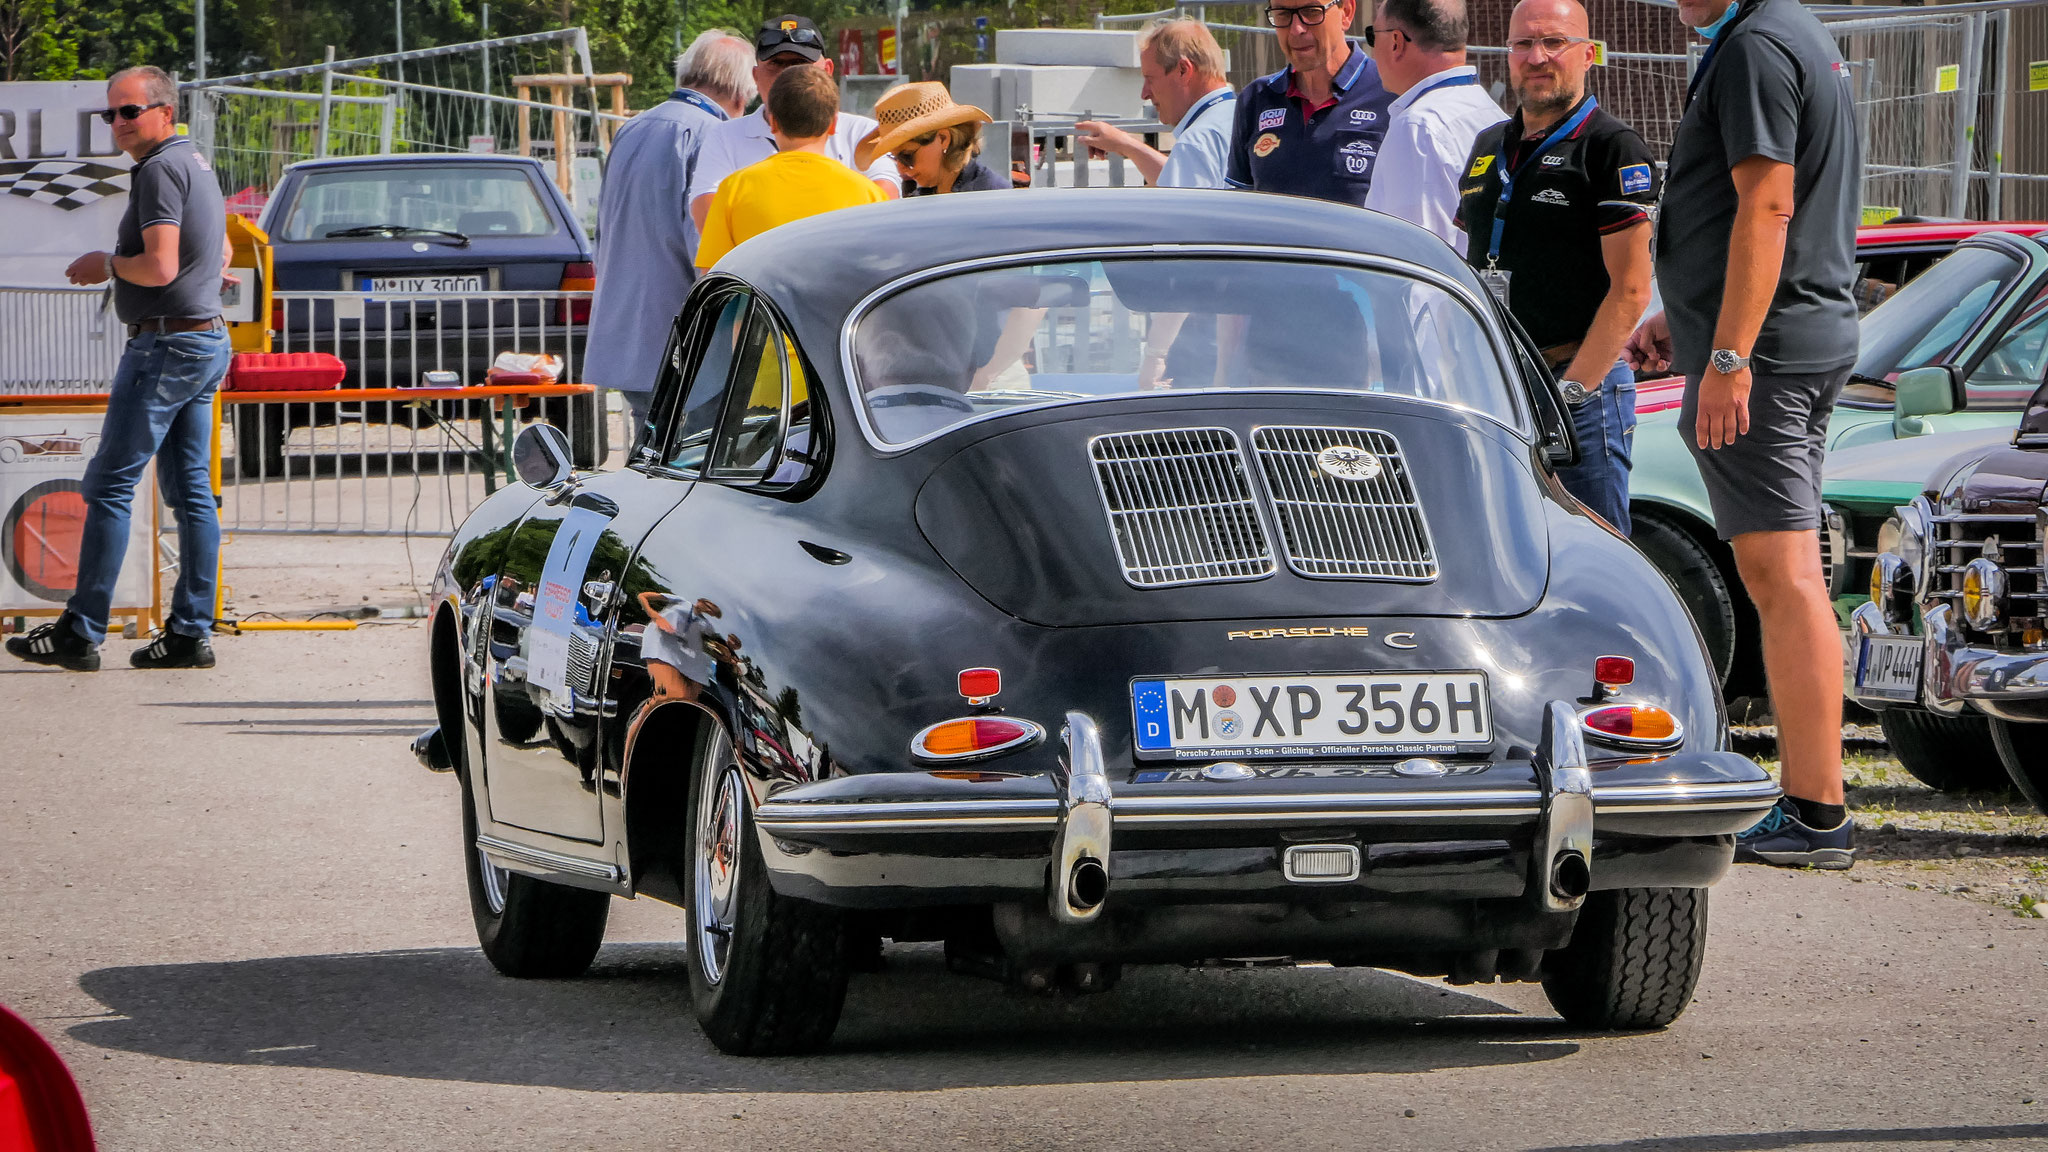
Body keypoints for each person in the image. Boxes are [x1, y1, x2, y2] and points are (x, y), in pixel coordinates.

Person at [1627, 0, 1862, 868]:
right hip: (1791, 337)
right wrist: (1687, 322)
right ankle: (1814, 805)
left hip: (1768, 353)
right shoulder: (1786, 30)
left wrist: (1727, 355)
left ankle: (1816, 811)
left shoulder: (1757, 45)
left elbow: (1767, 205)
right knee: (1789, 575)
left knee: (1783, 575)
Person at [7, 66, 231, 673]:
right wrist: (203, 273)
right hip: (202, 339)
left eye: (130, 111)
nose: (118, 123)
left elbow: (159, 268)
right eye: (111, 113)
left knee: (108, 486)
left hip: (167, 345)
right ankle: (189, 634)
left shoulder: (159, 169)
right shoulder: (194, 162)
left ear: (165, 111)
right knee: (192, 494)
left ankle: (81, 631)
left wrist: (106, 263)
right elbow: (222, 247)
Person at [1453, 0, 1656, 532]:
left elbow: (1632, 290)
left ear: (1588, 54)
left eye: (1554, 42)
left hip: (1579, 388)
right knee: (1502, 541)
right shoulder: (1489, 144)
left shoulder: (1612, 147)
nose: (1536, 57)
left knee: (1592, 549)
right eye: (1523, 44)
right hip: (1499, 383)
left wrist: (1572, 394)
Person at [584, 30, 755, 457]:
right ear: (740, 92)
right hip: (691, 345)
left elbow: (604, 230)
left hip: (629, 337)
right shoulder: (713, 136)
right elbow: (707, 249)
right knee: (696, 464)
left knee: (648, 459)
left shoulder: (633, 128)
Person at [688, 15, 898, 234]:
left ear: (827, 70)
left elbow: (885, 205)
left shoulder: (862, 132)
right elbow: (706, 212)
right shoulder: (724, 136)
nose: (787, 75)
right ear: (755, 76)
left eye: (800, 63)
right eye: (776, 64)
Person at [696, 67, 890, 269]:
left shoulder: (733, 189)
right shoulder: (870, 195)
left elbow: (713, 275)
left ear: (773, 123)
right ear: (833, 124)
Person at [1363, 0, 1506, 248]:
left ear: (1396, 42)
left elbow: (1415, 256)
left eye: (1373, 36)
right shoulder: (1491, 112)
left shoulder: (1417, 128)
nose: (1373, 50)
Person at [1224, 0, 1394, 206]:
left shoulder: (1391, 95)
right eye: (1282, 14)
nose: (1296, 29)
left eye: (1311, 12)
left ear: (1346, 13)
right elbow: (1240, 206)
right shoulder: (1256, 98)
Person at [1074, 20, 1237, 189]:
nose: (1144, 94)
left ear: (1183, 71)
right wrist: (1124, 144)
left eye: (1150, 79)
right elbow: (1182, 179)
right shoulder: (1240, 120)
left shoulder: (1196, 141)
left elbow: (1183, 199)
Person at [855, 82, 1006, 196]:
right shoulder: (918, 202)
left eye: (906, 156)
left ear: (943, 139)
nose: (901, 168)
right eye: (894, 158)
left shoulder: (992, 197)